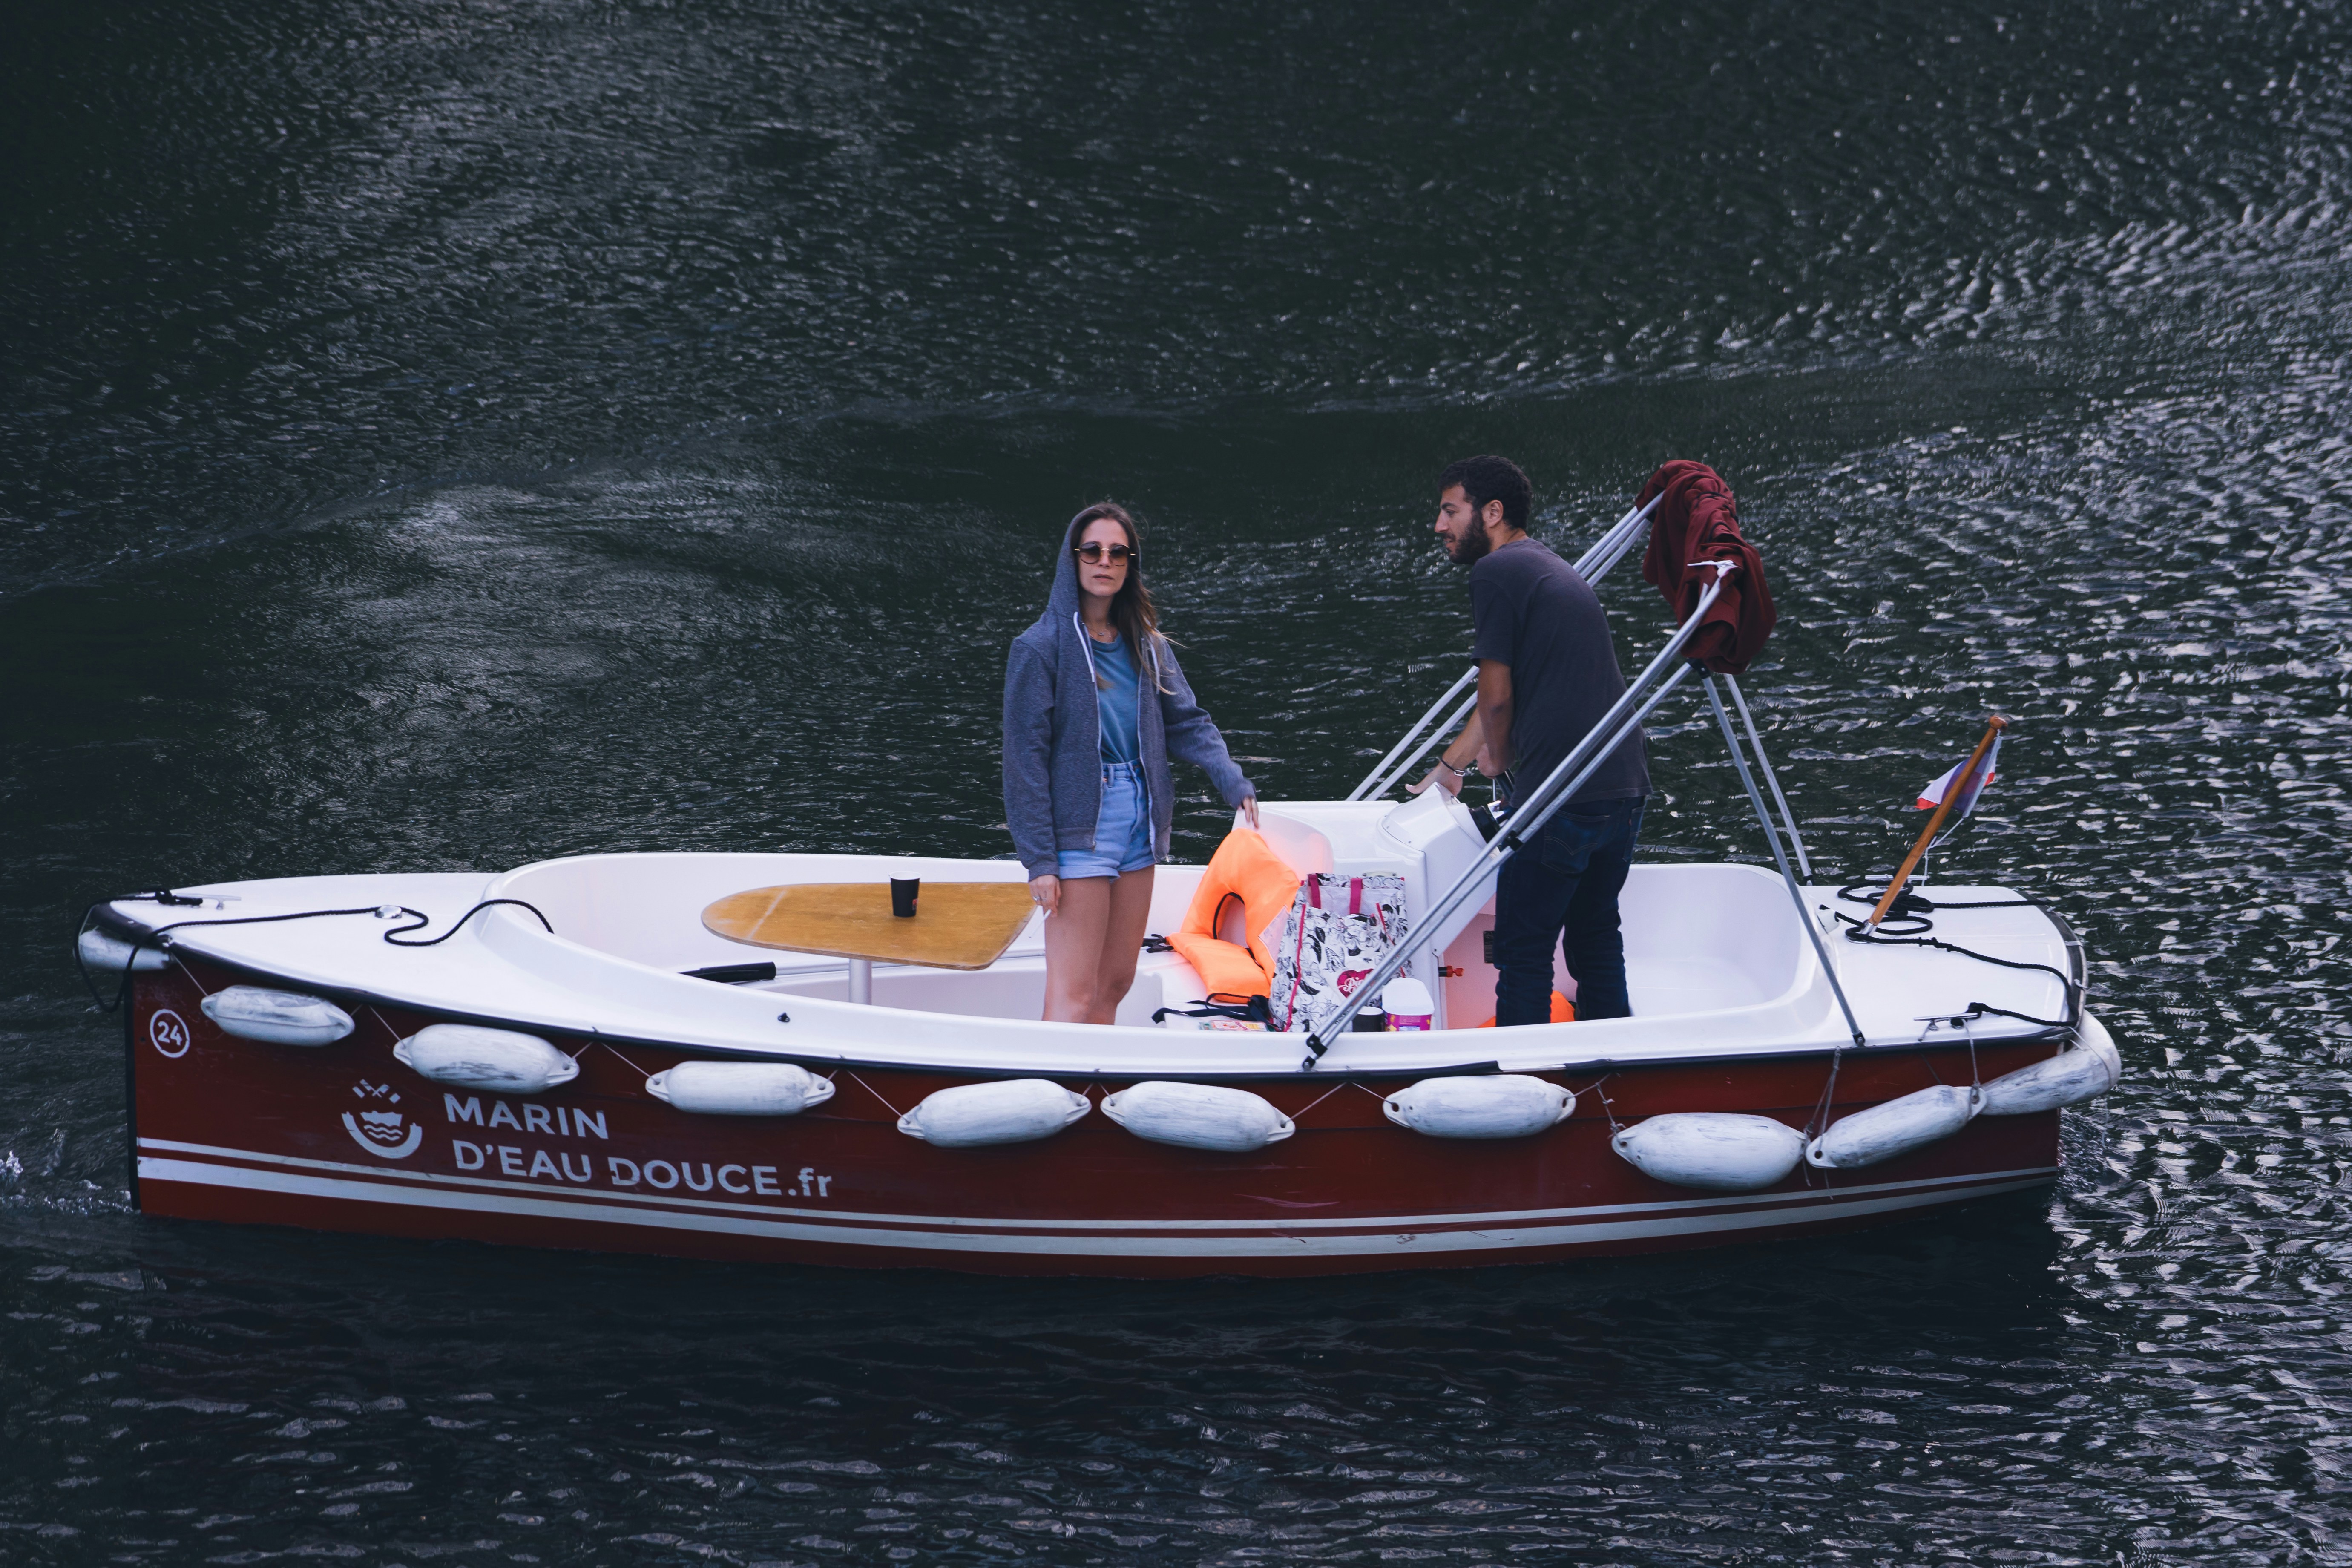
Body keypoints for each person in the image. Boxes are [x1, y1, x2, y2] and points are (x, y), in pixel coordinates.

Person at [1409, 456, 1648, 1024]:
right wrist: (1453, 766)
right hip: (1622, 787)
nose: (1439, 526)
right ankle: (1611, 1067)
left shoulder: (1494, 573)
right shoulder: (1542, 565)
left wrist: (1500, 756)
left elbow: (1494, 697)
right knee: (1593, 935)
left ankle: (1522, 1080)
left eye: (1450, 511)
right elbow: (1503, 692)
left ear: (1490, 513)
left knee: (1522, 949)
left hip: (1558, 798)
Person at [1003, 503, 1260, 1024]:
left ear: (1130, 563)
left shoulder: (1147, 644)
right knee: (1073, 992)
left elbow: (1186, 722)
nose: (1105, 561)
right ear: (1072, 561)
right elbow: (1023, 760)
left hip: (1139, 822)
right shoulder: (1039, 648)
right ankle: (1057, 1097)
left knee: (1115, 982)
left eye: (1117, 552)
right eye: (1092, 551)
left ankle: (1090, 1094)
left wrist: (1230, 778)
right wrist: (1040, 861)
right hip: (1079, 828)